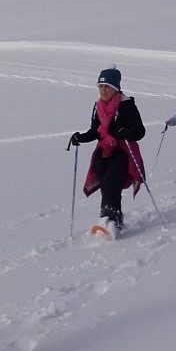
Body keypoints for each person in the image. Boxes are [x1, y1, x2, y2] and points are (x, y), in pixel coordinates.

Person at [69, 67, 146, 231]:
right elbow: (95, 131)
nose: (103, 91)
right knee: (105, 182)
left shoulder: (127, 105)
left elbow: (140, 131)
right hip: (104, 149)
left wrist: (127, 133)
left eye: (107, 87)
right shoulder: (98, 106)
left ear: (115, 88)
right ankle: (112, 218)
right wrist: (80, 137)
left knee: (112, 180)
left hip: (124, 150)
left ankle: (109, 217)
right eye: (101, 86)